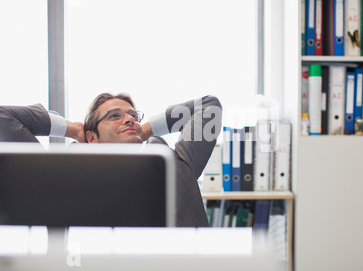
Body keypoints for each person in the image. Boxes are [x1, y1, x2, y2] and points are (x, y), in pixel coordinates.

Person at [0, 94, 222, 227]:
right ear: (91, 138)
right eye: (114, 115)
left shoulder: (177, 162)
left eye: (133, 116)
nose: (128, 119)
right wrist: (73, 129)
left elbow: (210, 106)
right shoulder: (65, 175)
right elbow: (4, 118)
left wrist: (145, 129)